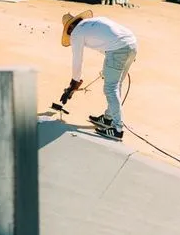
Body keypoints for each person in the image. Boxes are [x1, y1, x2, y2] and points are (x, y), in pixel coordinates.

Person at [59, 9, 138, 141]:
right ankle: (108, 119)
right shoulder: (93, 23)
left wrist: (73, 84)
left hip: (118, 49)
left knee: (110, 88)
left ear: (70, 27)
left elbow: (77, 60)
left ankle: (117, 129)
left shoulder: (77, 33)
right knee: (116, 85)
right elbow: (107, 40)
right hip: (132, 44)